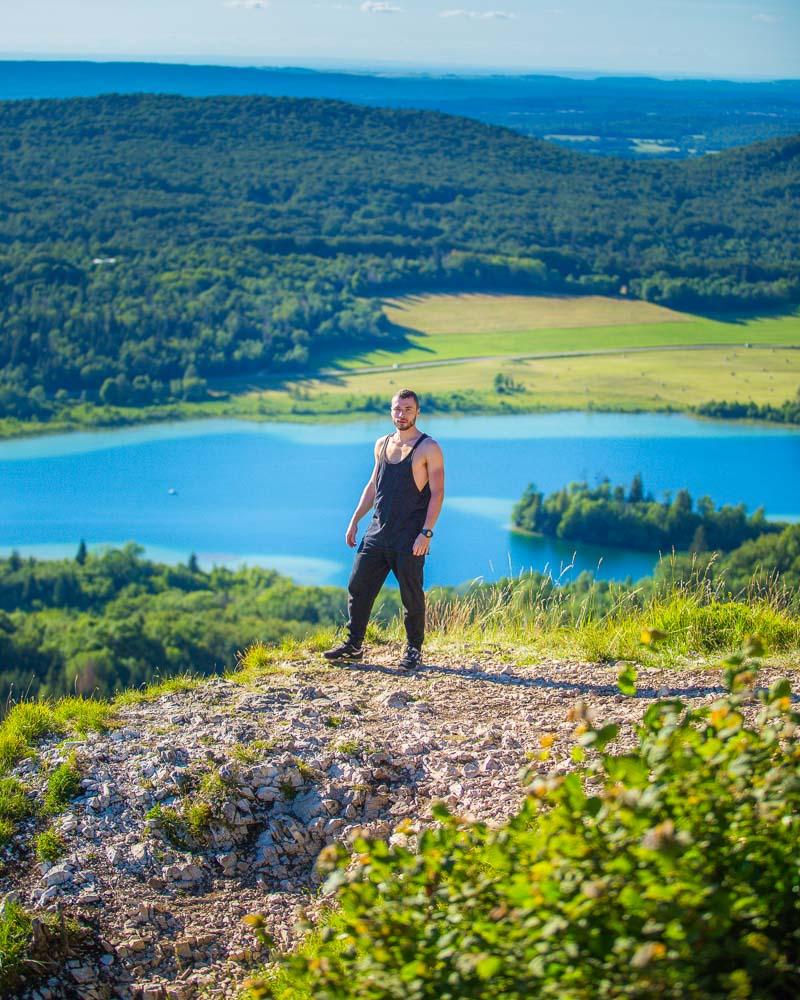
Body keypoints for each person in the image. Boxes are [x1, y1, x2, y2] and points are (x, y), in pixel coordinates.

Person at [323, 388, 445, 670]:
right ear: (391, 411)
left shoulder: (428, 448)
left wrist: (426, 533)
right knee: (358, 586)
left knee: (411, 595)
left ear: (417, 412)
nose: (401, 415)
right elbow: (372, 485)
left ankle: (413, 650)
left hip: (410, 537)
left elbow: (438, 493)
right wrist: (355, 520)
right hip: (378, 532)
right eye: (397, 409)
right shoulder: (382, 444)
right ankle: (354, 645)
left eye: (407, 410)